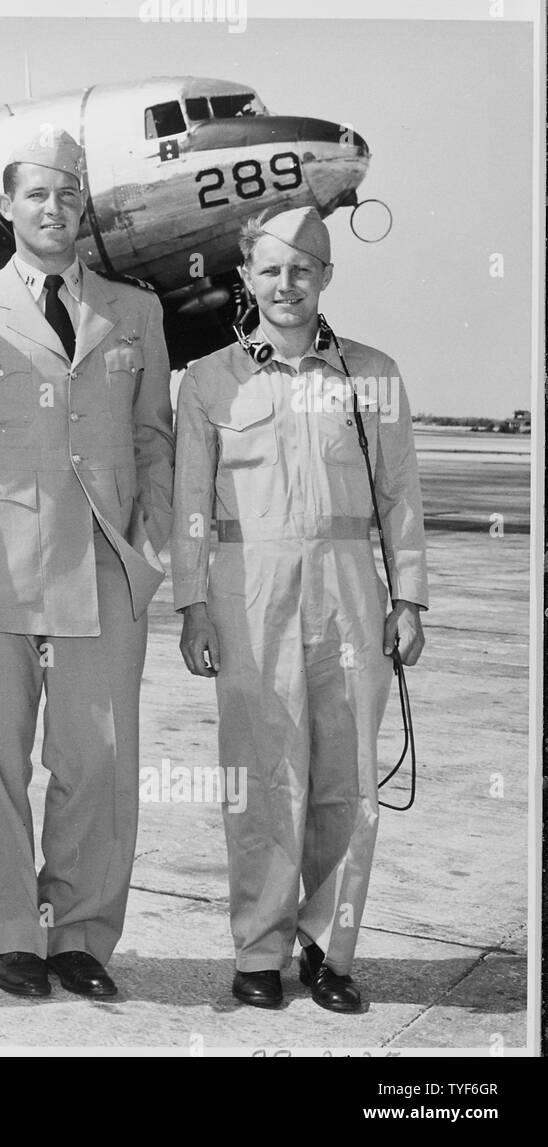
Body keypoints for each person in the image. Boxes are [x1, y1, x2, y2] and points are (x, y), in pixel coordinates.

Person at [0, 129, 174, 999]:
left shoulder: (135, 311)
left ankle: (83, 937)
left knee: (97, 759)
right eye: (35, 195)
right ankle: (14, 937)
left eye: (67, 195)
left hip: (103, 566)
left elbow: (152, 440)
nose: (52, 209)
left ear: (81, 206)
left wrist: (155, 550)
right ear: (8, 206)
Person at [171, 206, 427, 1012]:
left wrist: (409, 596)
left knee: (347, 779)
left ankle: (329, 951)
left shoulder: (371, 374)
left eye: (303, 269)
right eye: (271, 269)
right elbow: (188, 505)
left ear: (325, 277)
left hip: (352, 590)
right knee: (261, 776)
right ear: (245, 275)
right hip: (249, 592)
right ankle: (259, 948)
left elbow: (399, 495)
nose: (287, 284)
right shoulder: (210, 380)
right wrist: (191, 603)